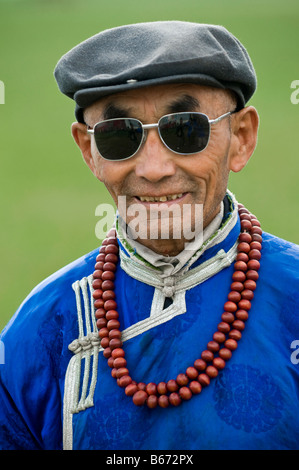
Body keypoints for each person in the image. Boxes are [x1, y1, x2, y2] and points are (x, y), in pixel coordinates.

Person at [0, 21, 298, 451]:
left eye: (186, 130)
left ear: (242, 138)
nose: (154, 168)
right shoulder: (38, 332)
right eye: (120, 136)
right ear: (89, 151)